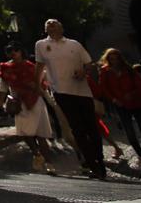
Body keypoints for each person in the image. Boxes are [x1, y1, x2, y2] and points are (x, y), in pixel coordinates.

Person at [35, 20, 105, 178]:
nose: (51, 24)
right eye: (48, 23)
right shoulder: (41, 45)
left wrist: (83, 72)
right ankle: (93, 165)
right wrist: (36, 85)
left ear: (61, 27)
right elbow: (39, 66)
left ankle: (99, 161)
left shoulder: (74, 44)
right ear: (45, 28)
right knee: (77, 129)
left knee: (92, 128)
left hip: (82, 91)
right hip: (61, 92)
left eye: (54, 23)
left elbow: (89, 63)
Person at [98, 48, 141, 177]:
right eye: (111, 58)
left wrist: (132, 94)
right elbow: (104, 88)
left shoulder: (128, 69)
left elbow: (140, 86)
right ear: (108, 59)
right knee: (130, 134)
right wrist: (114, 100)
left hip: (137, 104)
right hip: (121, 106)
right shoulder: (105, 72)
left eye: (116, 58)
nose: (114, 60)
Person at [0, 43, 55, 175]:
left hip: (36, 101)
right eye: (9, 51)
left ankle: (48, 163)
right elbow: (3, 86)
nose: (13, 53)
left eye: (16, 50)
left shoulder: (31, 67)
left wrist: (50, 100)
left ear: (21, 51)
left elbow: (42, 83)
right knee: (24, 132)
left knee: (41, 134)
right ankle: (37, 154)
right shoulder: (6, 68)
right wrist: (0, 103)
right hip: (19, 102)